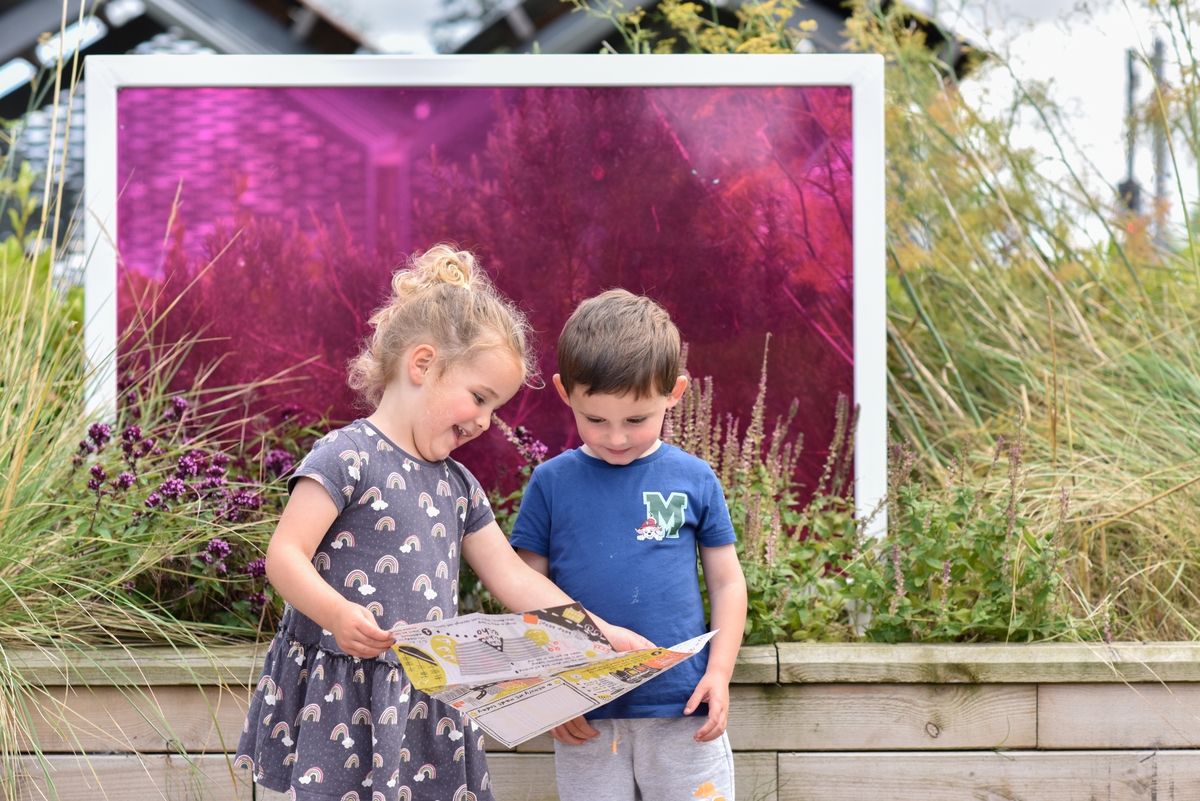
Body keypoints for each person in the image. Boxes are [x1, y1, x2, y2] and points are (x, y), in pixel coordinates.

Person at [234, 247, 650, 801]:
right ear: (423, 364)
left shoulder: (459, 486)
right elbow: (284, 555)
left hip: (425, 694)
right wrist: (334, 613)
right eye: (479, 398)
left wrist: (595, 633)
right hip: (344, 691)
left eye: (494, 408)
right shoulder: (346, 457)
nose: (484, 421)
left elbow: (514, 579)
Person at [509, 289, 749, 801]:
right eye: (596, 419)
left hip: (683, 707)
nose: (615, 437)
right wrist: (551, 689)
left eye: (636, 420)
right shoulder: (550, 484)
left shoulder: (694, 478)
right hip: (584, 710)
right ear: (564, 392)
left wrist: (721, 672)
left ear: (675, 392)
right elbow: (522, 591)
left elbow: (728, 581)